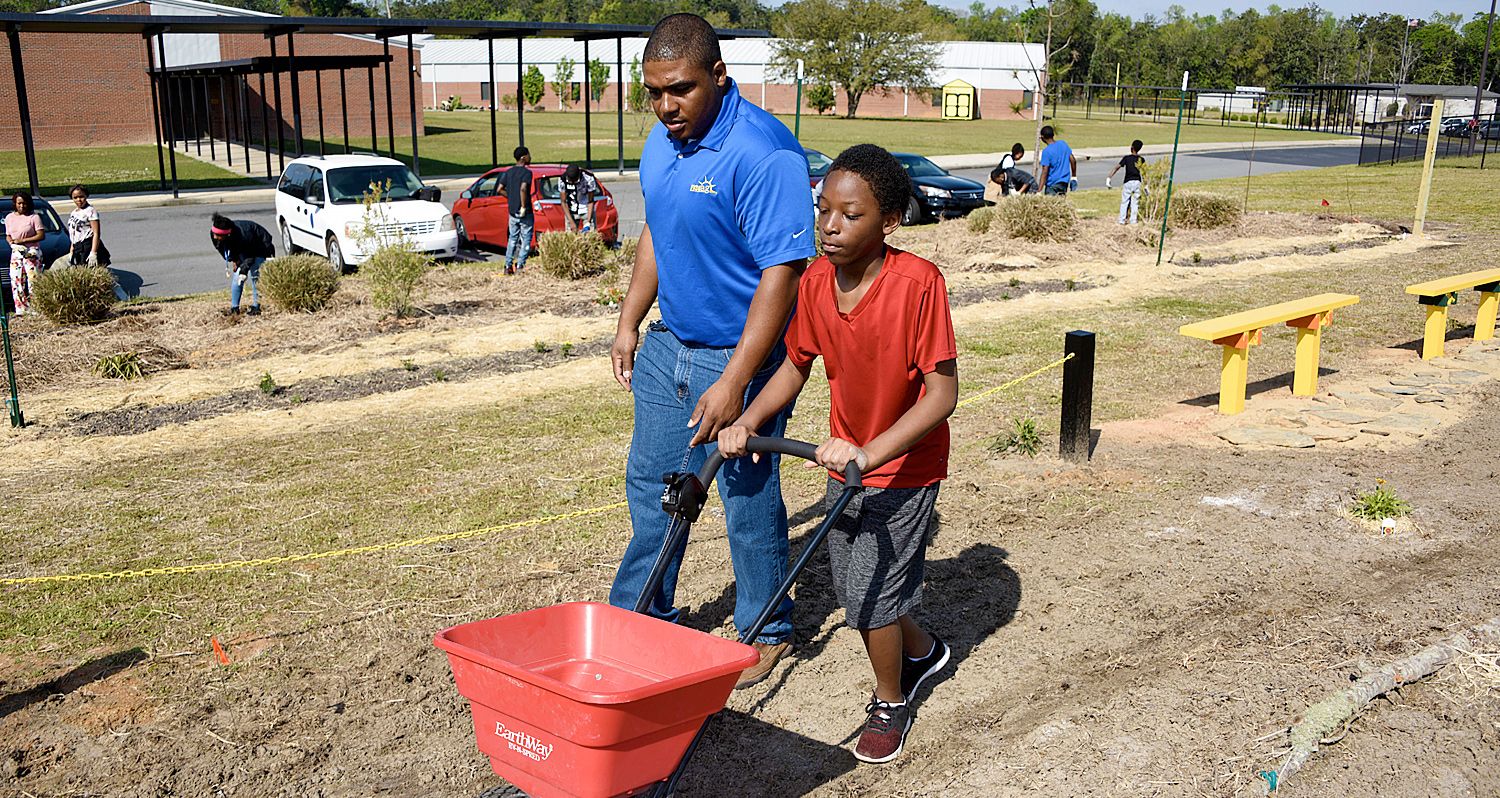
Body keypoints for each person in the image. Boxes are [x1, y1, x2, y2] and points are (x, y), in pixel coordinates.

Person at [719, 144, 957, 764]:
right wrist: (747, 418)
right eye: (823, 209)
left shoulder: (917, 285)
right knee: (864, 587)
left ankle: (890, 698)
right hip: (844, 462)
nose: (829, 225)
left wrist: (872, 451)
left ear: (890, 222)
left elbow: (942, 394)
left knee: (870, 596)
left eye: (849, 215)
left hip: (904, 465)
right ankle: (924, 651)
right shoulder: (816, 282)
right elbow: (795, 365)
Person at [608, 13, 815, 690]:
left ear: (720, 77)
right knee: (653, 493)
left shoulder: (765, 153)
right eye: (655, 91)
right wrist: (629, 321)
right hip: (669, 349)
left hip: (739, 359)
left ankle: (766, 629)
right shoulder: (663, 139)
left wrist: (736, 379)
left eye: (682, 89)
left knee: (746, 499)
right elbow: (655, 235)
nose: (667, 105)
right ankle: (642, 618)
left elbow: (780, 278)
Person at [209, 212, 274, 316]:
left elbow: (250, 256)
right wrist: (234, 259)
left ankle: (257, 306)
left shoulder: (244, 235)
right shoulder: (214, 234)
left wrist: (244, 269)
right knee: (237, 278)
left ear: (227, 234)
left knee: (255, 275)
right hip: (243, 248)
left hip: (261, 246)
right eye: (214, 234)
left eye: (218, 235)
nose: (215, 237)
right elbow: (222, 248)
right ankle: (234, 308)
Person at [5, 193, 45, 315]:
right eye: (19, 203)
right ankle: (21, 308)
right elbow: (8, 235)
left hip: (31, 251)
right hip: (17, 251)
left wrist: (23, 241)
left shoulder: (34, 217)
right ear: (15, 204)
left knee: (33, 279)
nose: (22, 206)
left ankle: (36, 307)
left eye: (24, 203)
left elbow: (41, 235)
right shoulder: (9, 218)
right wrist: (11, 242)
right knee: (16, 279)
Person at [500, 146, 534, 274]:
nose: (530, 157)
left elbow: (499, 189)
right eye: (528, 155)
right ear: (523, 157)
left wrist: (511, 197)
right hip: (524, 212)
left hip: (512, 211)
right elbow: (523, 189)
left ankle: (507, 266)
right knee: (526, 238)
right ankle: (520, 266)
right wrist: (524, 206)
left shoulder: (508, 172)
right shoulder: (526, 173)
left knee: (512, 238)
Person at [1106, 139, 1146, 225]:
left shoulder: (1126, 158)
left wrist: (1109, 177)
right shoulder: (1141, 159)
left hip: (1128, 181)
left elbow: (1117, 167)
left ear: (1132, 147)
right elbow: (1144, 173)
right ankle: (1133, 220)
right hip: (1137, 182)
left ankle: (1122, 220)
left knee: (1125, 201)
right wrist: (1146, 185)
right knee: (1135, 202)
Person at [1036, 125, 1076, 196]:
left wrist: (1039, 190)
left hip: (1052, 185)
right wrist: (1074, 177)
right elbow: (1072, 160)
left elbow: (1045, 171)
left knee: (1050, 206)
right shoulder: (1063, 144)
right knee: (1060, 204)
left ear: (1042, 137)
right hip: (1064, 183)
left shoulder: (1046, 151)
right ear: (1053, 135)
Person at [560, 164, 598, 233]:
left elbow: (591, 201)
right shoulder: (563, 180)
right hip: (571, 211)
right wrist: (571, 222)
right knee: (570, 238)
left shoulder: (588, 178)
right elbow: (563, 202)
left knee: (590, 235)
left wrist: (588, 223)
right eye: (571, 181)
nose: (573, 183)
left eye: (575, 181)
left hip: (586, 209)